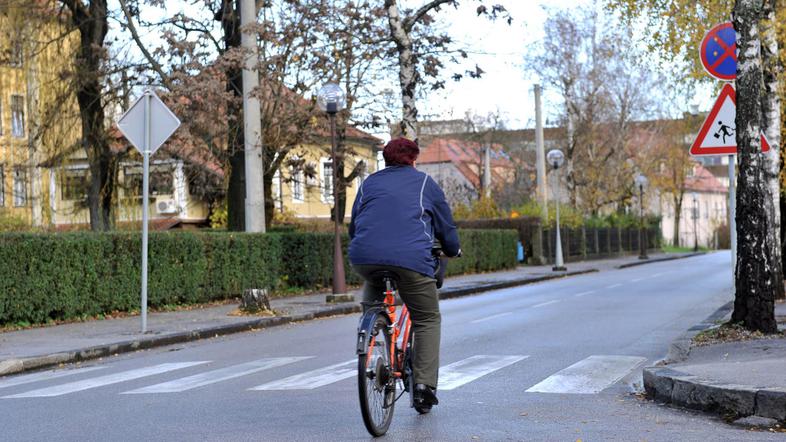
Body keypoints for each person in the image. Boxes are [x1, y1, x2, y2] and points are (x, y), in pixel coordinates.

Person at [348, 137, 461, 411]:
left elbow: (354, 225)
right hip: (411, 260)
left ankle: (372, 330)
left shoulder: (368, 183)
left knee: (372, 304)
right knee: (427, 318)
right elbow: (445, 226)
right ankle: (423, 387)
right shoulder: (424, 183)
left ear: (385, 159)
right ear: (413, 159)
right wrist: (452, 249)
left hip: (365, 257)